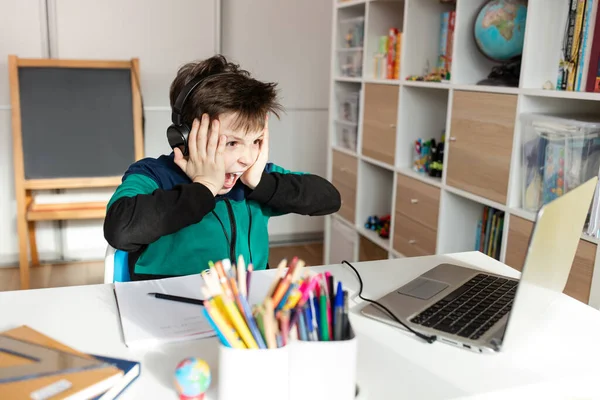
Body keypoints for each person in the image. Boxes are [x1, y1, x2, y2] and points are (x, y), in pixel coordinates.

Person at [103, 55, 341, 281]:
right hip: (171, 306)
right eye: (232, 143)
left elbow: (329, 199)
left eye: (256, 142)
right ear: (185, 138)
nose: (247, 158)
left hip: (244, 306)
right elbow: (120, 230)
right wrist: (204, 188)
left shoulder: (253, 177)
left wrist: (262, 184)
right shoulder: (153, 175)